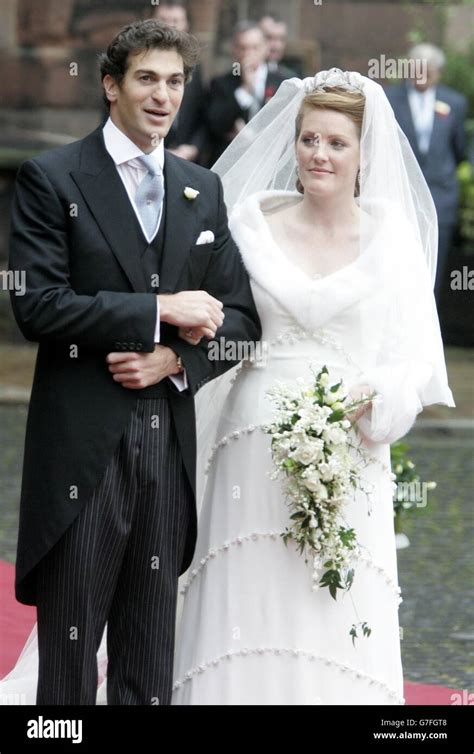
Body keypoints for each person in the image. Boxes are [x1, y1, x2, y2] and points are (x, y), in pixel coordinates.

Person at [171, 69, 454, 704]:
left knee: (334, 598)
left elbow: (410, 357)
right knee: (249, 592)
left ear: (363, 154)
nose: (318, 155)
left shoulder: (394, 239)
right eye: (308, 140)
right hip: (251, 447)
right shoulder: (249, 221)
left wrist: (382, 399)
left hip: (352, 450)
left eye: (335, 143)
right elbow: (220, 321)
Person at [6, 19, 260, 706]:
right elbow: (37, 306)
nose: (163, 95)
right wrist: (160, 309)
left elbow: (242, 319)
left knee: (149, 665)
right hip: (82, 454)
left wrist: (172, 361)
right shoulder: (50, 178)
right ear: (110, 84)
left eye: (175, 81)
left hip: (167, 456)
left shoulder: (201, 189)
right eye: (147, 78)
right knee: (67, 670)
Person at [386, 44, 467, 301]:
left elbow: (460, 148)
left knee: (434, 267)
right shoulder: (388, 98)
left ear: (438, 73)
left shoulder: (454, 102)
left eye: (428, 72)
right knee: (395, 267)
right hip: (398, 195)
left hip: (440, 198)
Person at [207, 21, 287, 164]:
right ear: (234, 50)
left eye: (255, 48)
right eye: (243, 48)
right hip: (232, 162)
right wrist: (245, 89)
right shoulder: (221, 83)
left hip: (269, 160)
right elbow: (216, 126)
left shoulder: (282, 82)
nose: (248, 54)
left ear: (265, 48)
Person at [153, 0, 208, 163]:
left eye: (176, 21)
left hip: (184, 158)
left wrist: (193, 147)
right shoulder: (135, 61)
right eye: (163, 20)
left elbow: (202, 114)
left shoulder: (195, 67)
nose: (169, 27)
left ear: (186, 25)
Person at [259, 13, 300, 78]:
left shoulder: (290, 77)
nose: (277, 46)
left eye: (281, 39)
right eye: (269, 37)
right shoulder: (239, 74)